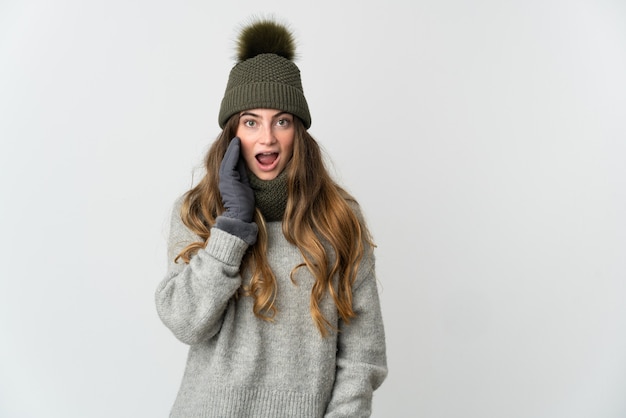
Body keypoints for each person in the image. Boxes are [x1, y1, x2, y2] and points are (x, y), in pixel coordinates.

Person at [155, 17, 387, 417]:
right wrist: (231, 229)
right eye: (251, 122)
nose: (267, 138)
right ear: (232, 132)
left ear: (298, 130)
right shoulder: (198, 211)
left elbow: (363, 357)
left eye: (281, 120)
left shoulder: (338, 218)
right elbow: (186, 322)